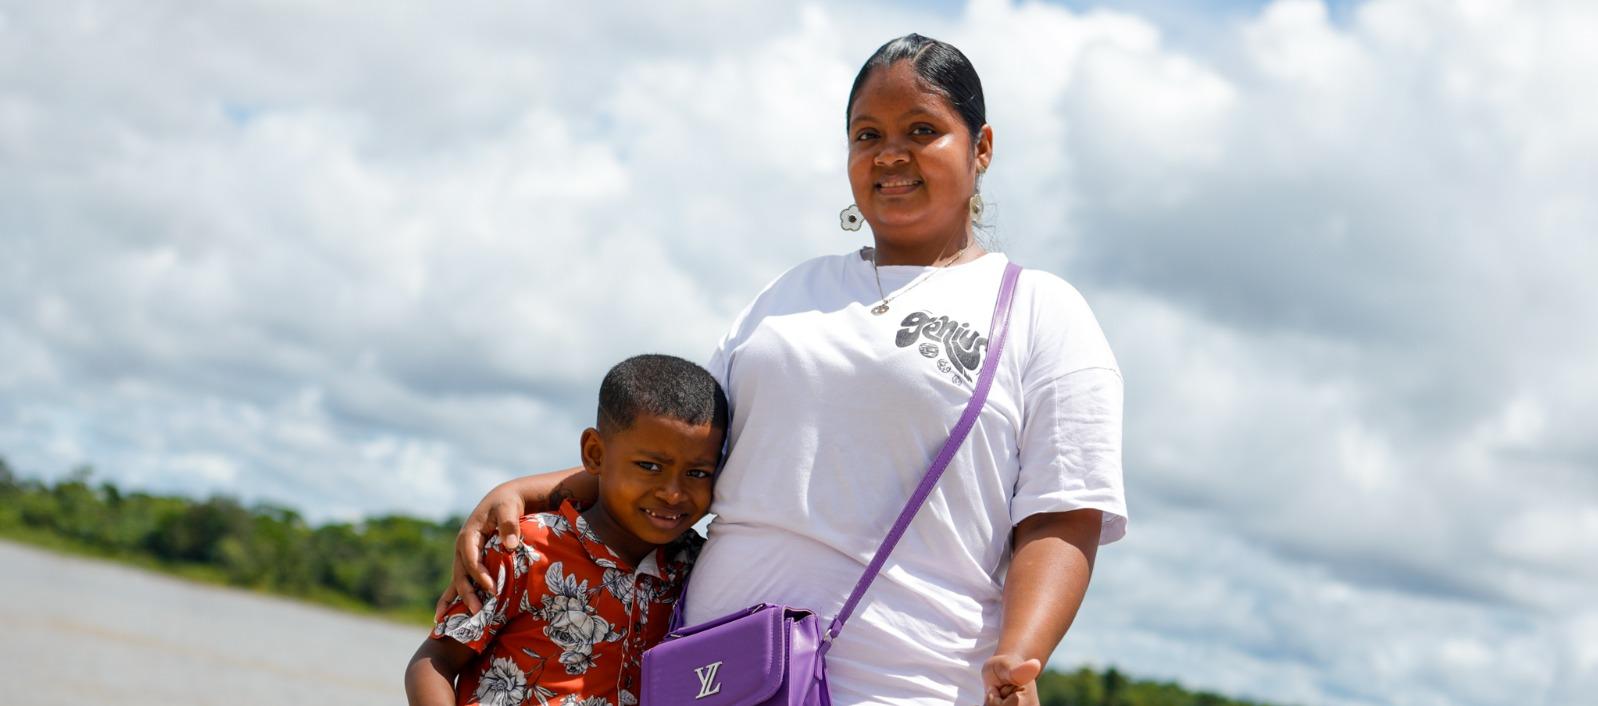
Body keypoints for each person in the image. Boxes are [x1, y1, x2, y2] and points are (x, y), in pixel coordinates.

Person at [437, 34, 1126, 706]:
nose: (891, 155)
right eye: (866, 135)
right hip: (712, 673)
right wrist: (529, 492)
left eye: (922, 130)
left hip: (903, 681)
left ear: (981, 148)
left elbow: (1062, 514)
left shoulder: (1041, 312)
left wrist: (1021, 651)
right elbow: (685, 454)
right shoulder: (790, 293)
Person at [405, 354, 727, 706]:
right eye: (649, 466)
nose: (673, 492)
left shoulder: (696, 567)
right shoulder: (525, 549)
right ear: (595, 454)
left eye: (697, 473)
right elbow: (433, 661)